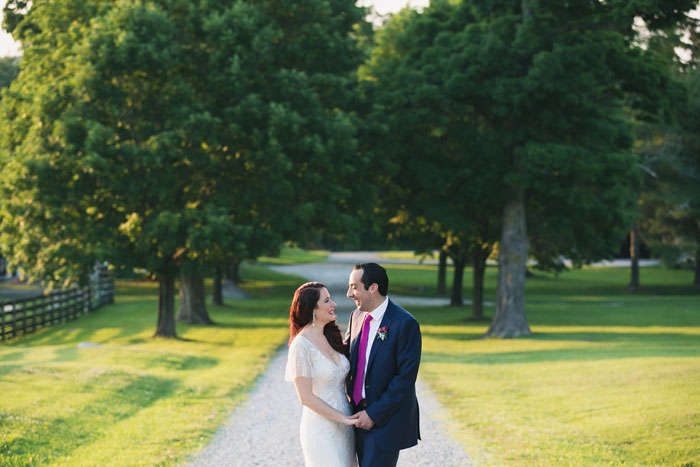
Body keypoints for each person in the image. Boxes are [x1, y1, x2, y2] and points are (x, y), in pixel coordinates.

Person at [345, 262, 422, 467]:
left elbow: (405, 379)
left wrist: (373, 414)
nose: (348, 293)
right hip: (353, 418)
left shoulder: (405, 323)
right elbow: (343, 356)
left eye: (354, 287)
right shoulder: (356, 316)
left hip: (384, 422)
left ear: (373, 287)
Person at [285, 282, 359, 467]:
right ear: (312, 309)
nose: (333, 304)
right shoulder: (300, 345)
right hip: (321, 428)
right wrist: (343, 418)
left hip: (346, 427)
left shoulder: (332, 336)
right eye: (326, 300)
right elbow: (306, 398)